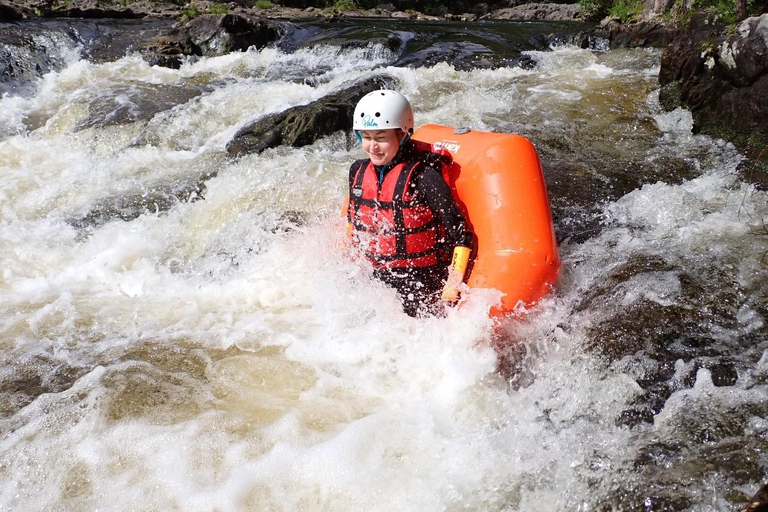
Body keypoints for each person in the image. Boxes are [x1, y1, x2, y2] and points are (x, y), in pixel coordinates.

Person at [344, 89, 474, 317]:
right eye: (366, 137)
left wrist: (452, 287)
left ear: (403, 135)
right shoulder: (357, 170)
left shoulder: (423, 177)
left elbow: (461, 234)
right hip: (375, 278)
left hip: (419, 280)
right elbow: (353, 224)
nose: (373, 147)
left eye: (381, 137)